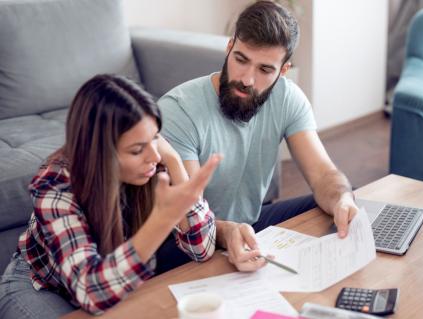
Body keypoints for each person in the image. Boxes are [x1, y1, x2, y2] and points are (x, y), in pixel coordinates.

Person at [159, 1, 359, 272]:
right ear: (229, 47)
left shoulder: (287, 97)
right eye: (241, 60)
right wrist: (228, 232)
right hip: (188, 240)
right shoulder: (179, 110)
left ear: (283, 70)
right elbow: (187, 218)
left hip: (249, 226)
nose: (247, 79)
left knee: (340, 199)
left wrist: (342, 199)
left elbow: (324, 175)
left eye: (265, 70)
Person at [0, 74, 221, 317]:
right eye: (137, 150)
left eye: (155, 137)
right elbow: (90, 293)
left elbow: (202, 250)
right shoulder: (56, 184)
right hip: (43, 287)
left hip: (111, 280)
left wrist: (176, 163)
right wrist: (163, 220)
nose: (154, 156)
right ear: (101, 152)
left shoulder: (153, 160)